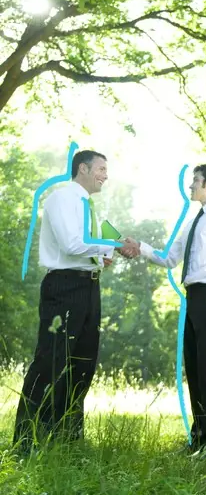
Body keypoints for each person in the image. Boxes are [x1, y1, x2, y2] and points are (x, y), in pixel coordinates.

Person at [120, 164, 206, 455]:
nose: (191, 186)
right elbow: (169, 258)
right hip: (193, 297)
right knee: (194, 365)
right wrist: (139, 246)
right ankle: (200, 437)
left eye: (196, 181)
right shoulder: (193, 222)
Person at [14, 150, 120, 452]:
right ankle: (27, 441)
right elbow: (72, 244)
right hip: (64, 287)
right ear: (83, 168)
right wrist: (109, 245)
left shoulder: (89, 206)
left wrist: (108, 251)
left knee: (81, 365)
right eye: (101, 168)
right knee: (51, 362)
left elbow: (91, 248)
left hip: (89, 287)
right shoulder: (63, 198)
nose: (105, 175)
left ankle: (67, 441)